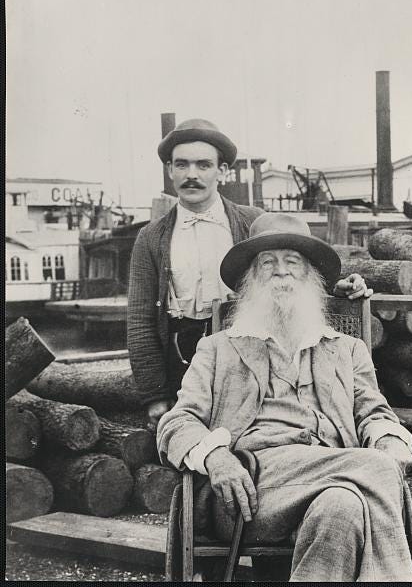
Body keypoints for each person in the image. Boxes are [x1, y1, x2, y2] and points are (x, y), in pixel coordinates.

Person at [157, 212, 412, 582]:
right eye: (268, 263)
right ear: (251, 278)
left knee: (342, 507)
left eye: (292, 262)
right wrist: (217, 458)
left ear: (310, 276)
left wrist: (389, 440)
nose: (281, 272)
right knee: (378, 468)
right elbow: (177, 422)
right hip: (250, 491)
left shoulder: (346, 349)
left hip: (335, 479)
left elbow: (374, 412)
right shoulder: (218, 348)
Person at [128, 119, 373, 430]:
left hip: (246, 355)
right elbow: (139, 320)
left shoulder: (254, 222)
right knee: (184, 436)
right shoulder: (151, 237)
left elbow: (291, 269)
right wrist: (154, 394)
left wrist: (338, 287)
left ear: (222, 171)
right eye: (182, 164)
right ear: (169, 170)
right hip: (182, 357)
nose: (192, 175)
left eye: (204, 165)